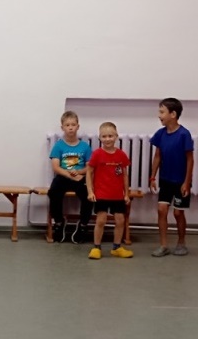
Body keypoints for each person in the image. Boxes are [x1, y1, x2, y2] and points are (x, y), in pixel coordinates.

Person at [149, 98, 194, 257]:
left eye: (162, 112)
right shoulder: (160, 134)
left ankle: (181, 243)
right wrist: (152, 177)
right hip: (165, 180)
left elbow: (190, 159)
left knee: (177, 213)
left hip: (180, 181)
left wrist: (187, 182)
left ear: (173, 114)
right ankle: (163, 245)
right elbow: (157, 156)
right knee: (161, 210)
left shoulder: (184, 134)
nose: (159, 115)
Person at [86, 122, 133, 260]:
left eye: (110, 136)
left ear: (116, 136)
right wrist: (90, 191)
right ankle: (96, 247)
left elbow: (124, 175)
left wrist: (126, 194)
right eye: (104, 136)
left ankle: (116, 248)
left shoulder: (121, 155)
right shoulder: (97, 154)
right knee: (101, 220)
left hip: (117, 195)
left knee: (120, 220)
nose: (107, 139)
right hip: (101, 194)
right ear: (100, 138)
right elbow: (89, 172)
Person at [47, 111, 93, 244]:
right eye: (67, 125)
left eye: (73, 125)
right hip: (64, 177)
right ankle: (59, 223)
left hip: (80, 177)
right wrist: (71, 176)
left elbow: (89, 167)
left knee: (89, 195)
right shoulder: (58, 146)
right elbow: (56, 167)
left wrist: (79, 173)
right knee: (53, 192)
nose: (71, 128)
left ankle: (83, 225)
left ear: (78, 126)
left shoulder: (85, 147)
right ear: (62, 127)